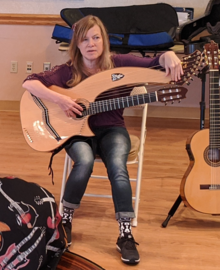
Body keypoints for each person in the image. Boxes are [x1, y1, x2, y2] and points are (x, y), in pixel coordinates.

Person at [22, 15, 183, 265]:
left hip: (112, 129)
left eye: (96, 37)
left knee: (118, 168)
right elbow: (29, 82)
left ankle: (125, 234)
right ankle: (65, 219)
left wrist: (168, 55)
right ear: (76, 43)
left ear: (104, 40)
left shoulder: (119, 64)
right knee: (84, 162)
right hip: (76, 132)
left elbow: (154, 62)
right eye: (85, 39)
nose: (91, 43)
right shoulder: (67, 71)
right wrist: (62, 100)